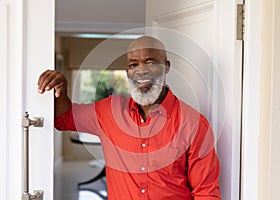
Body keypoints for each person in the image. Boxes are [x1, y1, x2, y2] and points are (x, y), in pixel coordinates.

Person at [38, 36, 221, 199]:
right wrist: (60, 91)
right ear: (127, 71)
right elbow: (64, 118)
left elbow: (206, 192)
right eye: (133, 64)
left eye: (150, 62)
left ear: (166, 67)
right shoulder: (109, 111)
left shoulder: (194, 124)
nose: (141, 71)